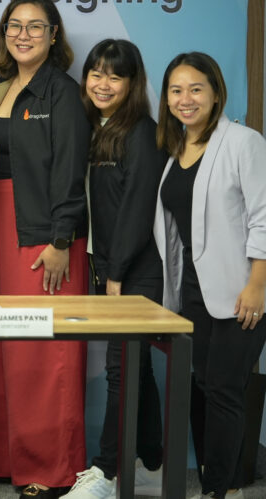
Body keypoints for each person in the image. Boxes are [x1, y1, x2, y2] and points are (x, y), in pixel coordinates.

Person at [0, 0, 90, 498]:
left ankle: (52, 468)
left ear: (53, 34)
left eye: (35, 26)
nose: (23, 35)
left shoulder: (62, 92)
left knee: (45, 353)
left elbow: (70, 169)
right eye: (14, 25)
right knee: (2, 346)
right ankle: (7, 459)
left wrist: (61, 238)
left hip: (43, 236)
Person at [152, 52, 266, 499]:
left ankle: (220, 491)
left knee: (224, 388)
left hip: (243, 289)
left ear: (216, 93)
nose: (186, 99)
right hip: (194, 291)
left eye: (196, 89)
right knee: (201, 385)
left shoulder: (243, 141)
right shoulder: (176, 150)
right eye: (176, 90)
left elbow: (263, 215)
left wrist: (258, 285)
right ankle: (219, 486)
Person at [64, 40, 166, 499]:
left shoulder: (141, 132)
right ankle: (150, 465)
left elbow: (137, 211)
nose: (102, 84)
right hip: (109, 266)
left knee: (121, 370)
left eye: (115, 76)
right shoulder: (97, 127)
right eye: (96, 73)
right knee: (135, 367)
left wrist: (116, 274)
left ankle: (105, 474)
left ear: (132, 83)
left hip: (134, 271)